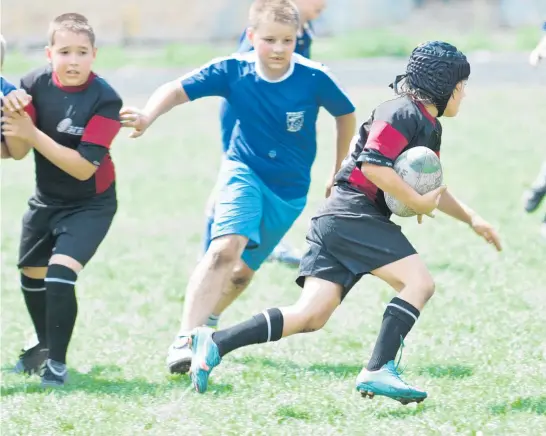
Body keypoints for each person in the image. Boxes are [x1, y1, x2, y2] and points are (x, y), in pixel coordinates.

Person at [186, 41, 502, 404]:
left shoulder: (429, 127)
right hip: (353, 213)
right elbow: (373, 165)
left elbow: (429, 186)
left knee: (310, 315)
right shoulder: (399, 112)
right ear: (444, 84)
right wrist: (413, 201)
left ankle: (214, 342)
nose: (464, 93)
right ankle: (378, 369)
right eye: (462, 85)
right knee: (419, 283)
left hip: (342, 219)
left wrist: (472, 219)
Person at [120, 0, 356, 376]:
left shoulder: (314, 77)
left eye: (287, 40)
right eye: (269, 40)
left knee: (242, 274)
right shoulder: (232, 69)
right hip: (243, 171)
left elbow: (345, 114)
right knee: (224, 249)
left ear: (298, 38)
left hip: (289, 191)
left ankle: (206, 324)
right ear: (251, 36)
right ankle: (184, 338)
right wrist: (148, 115)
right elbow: (176, 88)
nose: (278, 49)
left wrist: (339, 166)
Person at [1, 13, 123, 387]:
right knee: (31, 274)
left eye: (82, 52)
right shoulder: (31, 85)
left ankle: (56, 363)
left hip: (92, 202)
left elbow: (84, 168)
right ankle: (42, 345)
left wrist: (30, 132)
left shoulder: (106, 99)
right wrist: (14, 113)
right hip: (46, 200)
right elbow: (16, 151)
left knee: (60, 274)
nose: (73, 60)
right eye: (65, 51)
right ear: (49, 53)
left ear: (94, 54)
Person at [203, 0, 327, 272]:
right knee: (228, 196)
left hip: (281, 142)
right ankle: (208, 264)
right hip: (250, 142)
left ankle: (267, 245)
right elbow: (232, 92)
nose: (323, 3)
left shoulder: (303, 31)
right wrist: (228, 152)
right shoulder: (267, 37)